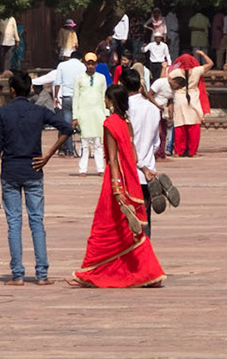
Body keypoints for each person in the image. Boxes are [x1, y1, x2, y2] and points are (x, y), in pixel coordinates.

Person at [70, 82, 166, 288]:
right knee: (132, 229)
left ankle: (91, 270)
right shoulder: (126, 122)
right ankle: (149, 272)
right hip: (131, 177)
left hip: (117, 179)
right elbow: (132, 153)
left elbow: (112, 158)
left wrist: (115, 188)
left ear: (111, 101)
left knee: (105, 226)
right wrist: (144, 170)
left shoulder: (110, 123)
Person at [0, 70, 73, 285]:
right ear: (30, 89)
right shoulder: (38, 111)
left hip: (11, 172)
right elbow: (67, 128)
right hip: (34, 170)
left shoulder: (3, 113)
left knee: (14, 223)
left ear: (12, 90)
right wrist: (47, 155)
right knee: (36, 221)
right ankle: (42, 275)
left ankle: (18, 274)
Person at [122, 69, 163, 239]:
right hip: (149, 170)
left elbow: (126, 143)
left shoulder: (125, 109)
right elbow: (156, 142)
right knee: (145, 215)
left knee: (127, 217)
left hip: (130, 169)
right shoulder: (153, 109)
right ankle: (145, 253)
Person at [71, 53, 110, 175]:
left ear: (96, 64)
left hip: (98, 113)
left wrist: (106, 113)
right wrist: (75, 116)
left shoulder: (101, 78)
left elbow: (105, 96)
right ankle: (83, 169)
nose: (91, 66)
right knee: (85, 143)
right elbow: (76, 97)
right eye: (88, 63)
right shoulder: (79, 78)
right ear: (85, 64)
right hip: (84, 113)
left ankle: (100, 169)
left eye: (93, 64)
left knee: (98, 143)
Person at [169, 62, 204, 159]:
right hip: (193, 98)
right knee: (194, 127)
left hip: (179, 98)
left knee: (180, 126)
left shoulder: (175, 72)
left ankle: (178, 151)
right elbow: (210, 63)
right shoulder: (197, 71)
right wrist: (202, 55)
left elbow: (166, 78)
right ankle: (192, 152)